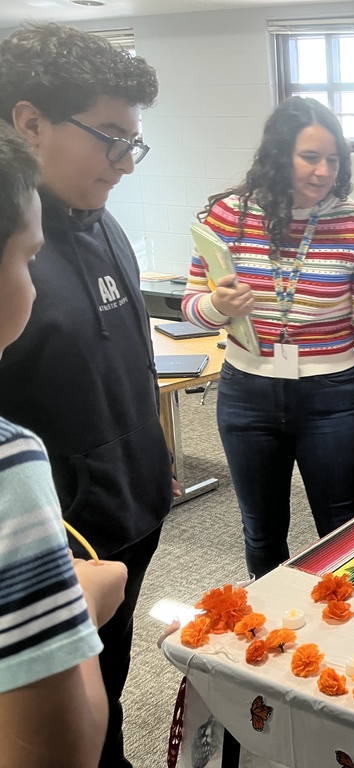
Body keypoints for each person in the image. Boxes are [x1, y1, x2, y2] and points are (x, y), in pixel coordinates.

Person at [0, 24, 168, 766]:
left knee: (109, 682)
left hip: (130, 510)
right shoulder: (11, 247)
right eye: (109, 138)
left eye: (134, 142)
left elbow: (123, 363)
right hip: (52, 546)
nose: (125, 163)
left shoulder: (102, 224)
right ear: (30, 121)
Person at [183, 97, 354, 579]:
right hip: (247, 393)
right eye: (310, 157)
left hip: (328, 394)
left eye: (333, 159)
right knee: (262, 529)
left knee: (342, 526)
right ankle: (271, 632)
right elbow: (192, 307)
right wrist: (216, 307)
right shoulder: (229, 217)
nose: (323, 171)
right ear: (278, 155)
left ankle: (343, 628)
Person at [0, 120, 129, 768]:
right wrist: (89, 596)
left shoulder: (105, 227)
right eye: (27, 258)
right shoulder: (12, 461)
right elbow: (60, 746)